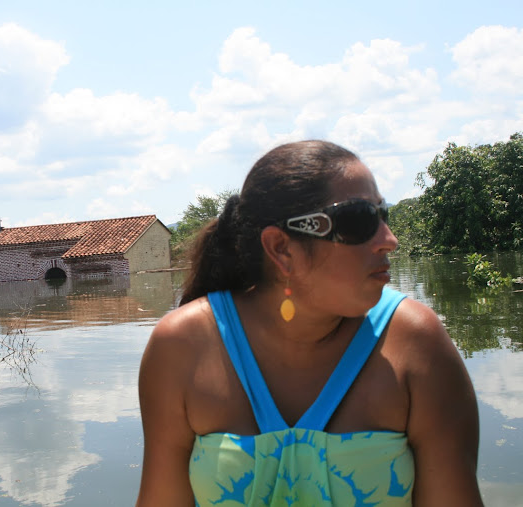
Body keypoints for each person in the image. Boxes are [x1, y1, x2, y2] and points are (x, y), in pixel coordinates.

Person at [136, 140, 482, 506]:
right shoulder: (181, 347)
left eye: (383, 216)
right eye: (358, 221)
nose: (389, 241)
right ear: (281, 248)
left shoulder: (415, 343)